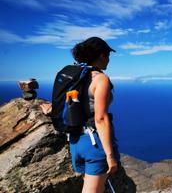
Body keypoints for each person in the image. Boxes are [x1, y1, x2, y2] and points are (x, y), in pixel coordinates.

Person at [41, 37, 120, 193]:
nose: (109, 60)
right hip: (94, 143)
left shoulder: (75, 75)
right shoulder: (100, 79)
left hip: (75, 141)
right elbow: (100, 118)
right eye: (108, 56)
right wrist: (110, 155)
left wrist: (52, 109)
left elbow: (69, 102)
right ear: (102, 56)